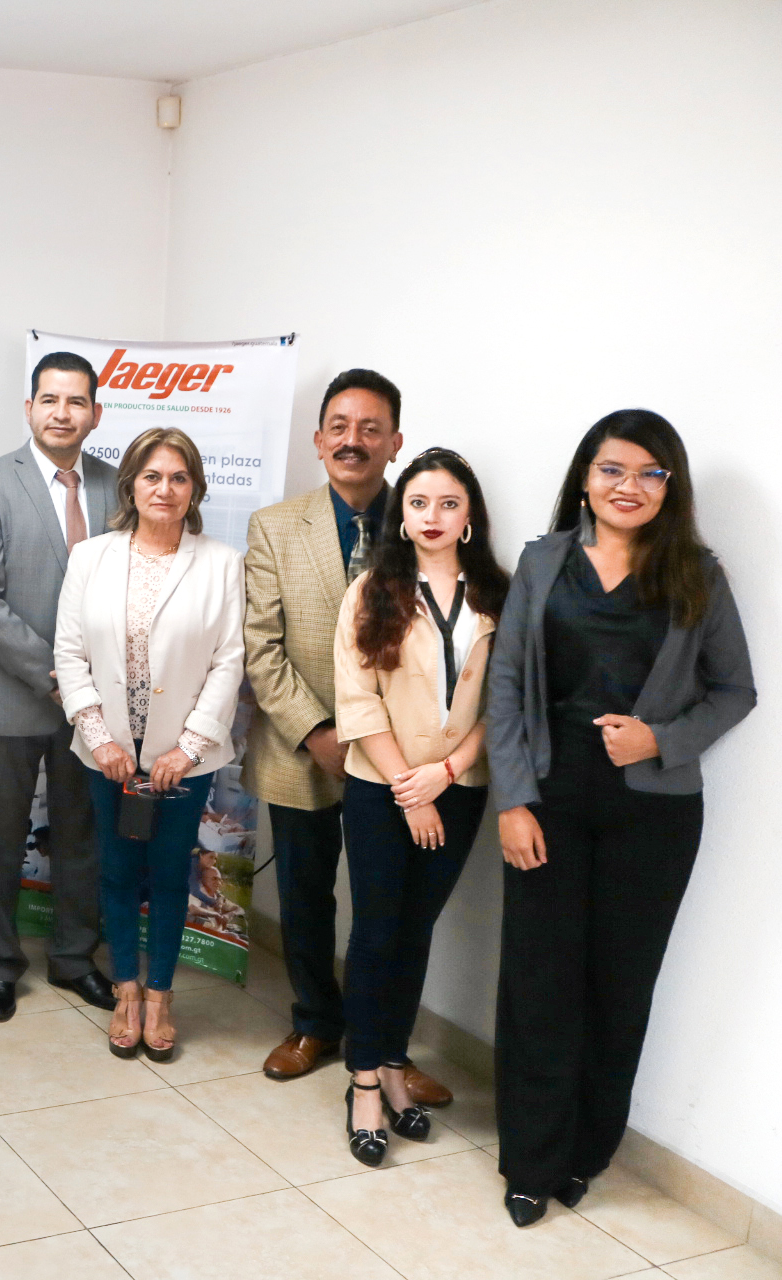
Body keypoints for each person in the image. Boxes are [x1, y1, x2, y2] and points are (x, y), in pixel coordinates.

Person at [487, 410, 754, 1227]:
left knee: (617, 986)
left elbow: (735, 690)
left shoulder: (697, 575)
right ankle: (531, 1160)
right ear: (584, 478)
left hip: (652, 814)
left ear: (670, 487)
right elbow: (504, 687)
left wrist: (659, 739)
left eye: (648, 473)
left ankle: (586, 1151)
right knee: (540, 982)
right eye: (612, 470)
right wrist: (513, 802)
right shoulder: (542, 562)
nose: (628, 487)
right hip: (548, 800)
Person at [244, 369, 451, 1107]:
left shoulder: (430, 519)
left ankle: (383, 1047)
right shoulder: (274, 526)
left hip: (400, 760)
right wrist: (317, 732)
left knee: (389, 909)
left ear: (395, 442)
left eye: (370, 429)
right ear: (318, 438)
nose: (353, 441)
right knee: (304, 897)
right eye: (340, 426)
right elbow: (261, 648)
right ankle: (316, 1023)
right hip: (306, 749)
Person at [332, 448, 507, 1166]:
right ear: (400, 515)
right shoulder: (371, 589)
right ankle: (364, 1082)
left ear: (470, 517)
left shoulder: (499, 595)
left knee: (416, 932)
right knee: (377, 932)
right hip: (380, 786)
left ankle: (397, 1066)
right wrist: (410, 786)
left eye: (448, 505)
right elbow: (355, 698)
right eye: (418, 504)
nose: (431, 518)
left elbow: (507, 700)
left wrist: (450, 771)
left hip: (459, 789)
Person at [54, 427, 244, 1061]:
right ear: (130, 486)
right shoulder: (92, 557)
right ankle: (126, 990)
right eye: (152, 477)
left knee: (168, 875)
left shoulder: (220, 562)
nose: (165, 489)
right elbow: (70, 652)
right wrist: (99, 737)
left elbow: (228, 661)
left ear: (195, 489)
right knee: (115, 870)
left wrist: (186, 748)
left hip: (182, 760)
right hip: (106, 756)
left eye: (179, 478)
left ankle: (160, 995)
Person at [0, 351, 121, 1021]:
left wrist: (88, 686)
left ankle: (75, 958)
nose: (62, 413)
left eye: (76, 401)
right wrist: (55, 676)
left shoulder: (117, 484)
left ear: (94, 413)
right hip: (9, 692)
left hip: (97, 704)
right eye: (49, 400)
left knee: (83, 835)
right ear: (29, 408)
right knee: (1, 837)